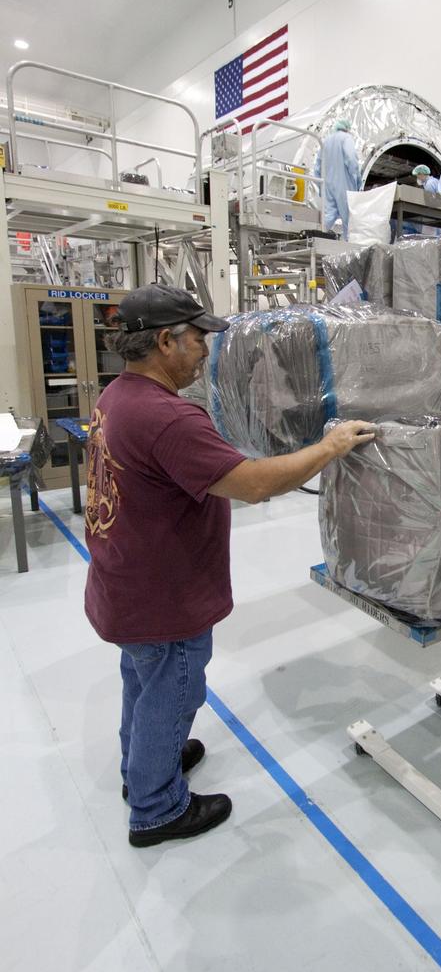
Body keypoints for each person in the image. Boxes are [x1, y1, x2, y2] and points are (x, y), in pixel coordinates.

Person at [84, 284, 375, 848]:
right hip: (166, 597)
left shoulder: (117, 397)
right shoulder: (168, 418)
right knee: (174, 691)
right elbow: (256, 485)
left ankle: (142, 767)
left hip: (125, 581)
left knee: (143, 685)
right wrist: (330, 446)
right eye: (196, 339)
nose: (204, 351)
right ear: (164, 341)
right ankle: (156, 809)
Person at [313, 118, 361, 237]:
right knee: (348, 218)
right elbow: (352, 159)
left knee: (328, 216)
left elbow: (317, 168)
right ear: (347, 129)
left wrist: (321, 187)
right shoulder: (346, 138)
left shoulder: (325, 141)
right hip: (343, 185)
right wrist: (357, 179)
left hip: (327, 186)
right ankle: (348, 248)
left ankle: (318, 237)